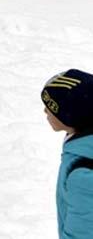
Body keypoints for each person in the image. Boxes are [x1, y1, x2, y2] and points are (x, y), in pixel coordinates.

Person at [41, 69, 93, 238]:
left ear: (70, 116)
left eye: (51, 108)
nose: (45, 112)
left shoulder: (83, 176)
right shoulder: (84, 141)